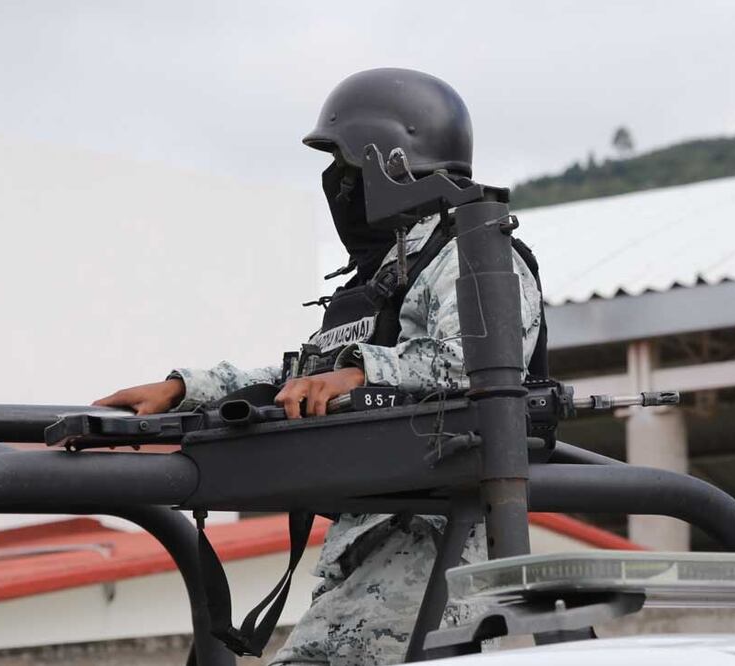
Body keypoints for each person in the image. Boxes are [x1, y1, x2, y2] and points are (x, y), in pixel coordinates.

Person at [94, 68, 543, 666]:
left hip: (438, 557)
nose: (338, 185)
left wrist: (361, 375)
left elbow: (481, 369)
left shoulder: (478, 253)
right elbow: (304, 376)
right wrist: (186, 390)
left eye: (347, 165)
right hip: (369, 546)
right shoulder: (386, 274)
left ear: (391, 161)